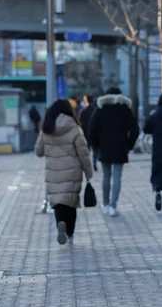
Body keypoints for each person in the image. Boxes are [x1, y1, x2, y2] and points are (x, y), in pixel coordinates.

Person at [35, 99, 93, 246]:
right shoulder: (74, 128)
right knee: (71, 203)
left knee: (58, 203)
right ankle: (70, 234)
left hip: (53, 173)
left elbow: (39, 151)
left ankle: (60, 224)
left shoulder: (47, 128)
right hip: (72, 172)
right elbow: (83, 153)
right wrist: (88, 172)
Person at [89, 86, 139, 217]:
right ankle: (113, 205)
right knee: (117, 177)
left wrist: (96, 145)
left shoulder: (100, 110)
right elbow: (135, 130)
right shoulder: (125, 110)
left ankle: (105, 204)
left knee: (106, 176)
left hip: (104, 147)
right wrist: (129, 145)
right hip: (120, 147)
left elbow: (92, 129)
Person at [79, 95, 99, 171]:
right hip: (94, 132)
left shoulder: (84, 111)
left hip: (85, 132)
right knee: (95, 149)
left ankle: (86, 164)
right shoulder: (96, 110)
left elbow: (80, 122)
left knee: (86, 149)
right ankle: (94, 163)